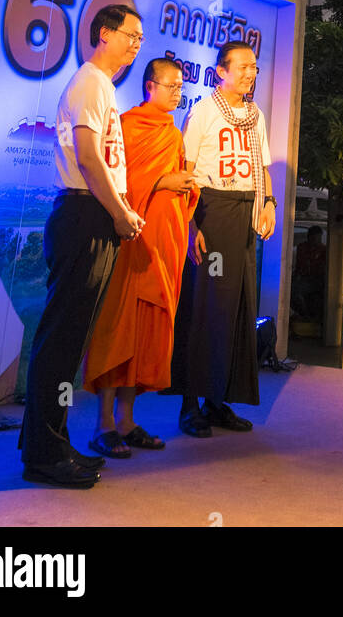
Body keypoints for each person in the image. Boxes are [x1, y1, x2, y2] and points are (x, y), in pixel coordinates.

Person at [19, 4, 145, 488]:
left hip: (93, 215)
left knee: (70, 341)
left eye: (140, 38)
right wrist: (119, 212)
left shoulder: (103, 86)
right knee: (61, 339)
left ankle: (51, 441)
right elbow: (90, 158)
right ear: (103, 34)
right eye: (130, 35)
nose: (136, 44)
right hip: (83, 215)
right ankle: (43, 453)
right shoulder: (91, 81)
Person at [83, 58, 200, 456]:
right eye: (171, 86)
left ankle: (128, 420)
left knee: (148, 332)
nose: (177, 93)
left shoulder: (173, 134)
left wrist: (185, 187)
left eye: (181, 87)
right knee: (119, 330)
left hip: (165, 247)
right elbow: (118, 182)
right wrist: (165, 181)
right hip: (132, 243)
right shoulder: (128, 126)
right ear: (150, 86)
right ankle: (103, 424)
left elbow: (183, 183)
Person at [170, 41, 276, 437]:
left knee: (237, 312)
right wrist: (191, 224)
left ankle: (219, 400)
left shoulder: (255, 115)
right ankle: (189, 404)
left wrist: (269, 202)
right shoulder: (203, 111)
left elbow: (261, 166)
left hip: (244, 215)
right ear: (221, 71)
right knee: (204, 309)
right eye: (244, 67)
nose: (251, 73)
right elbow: (187, 170)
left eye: (254, 67)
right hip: (211, 212)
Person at [293, 225, 326, 322]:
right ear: (309, 237)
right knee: (295, 291)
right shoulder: (302, 248)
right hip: (305, 279)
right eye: (314, 237)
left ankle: (311, 317)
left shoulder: (324, 250)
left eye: (318, 237)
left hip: (318, 280)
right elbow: (300, 266)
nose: (317, 240)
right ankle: (305, 316)